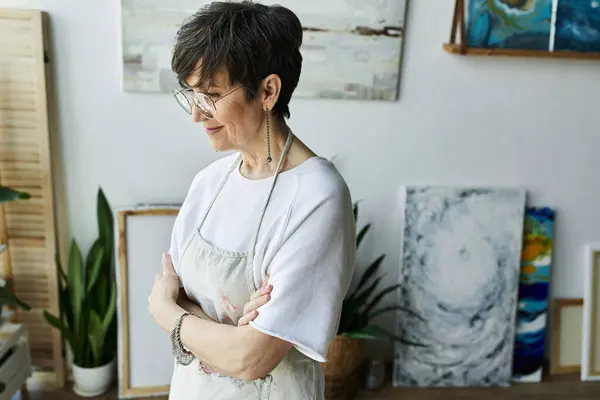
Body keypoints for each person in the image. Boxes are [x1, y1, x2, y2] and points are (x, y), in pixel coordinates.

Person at [147, 1, 356, 399]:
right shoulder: (208, 183)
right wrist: (228, 331)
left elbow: (252, 359)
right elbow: (173, 287)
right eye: (191, 94)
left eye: (210, 94)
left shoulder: (317, 196)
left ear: (267, 91)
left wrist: (169, 315)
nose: (196, 113)